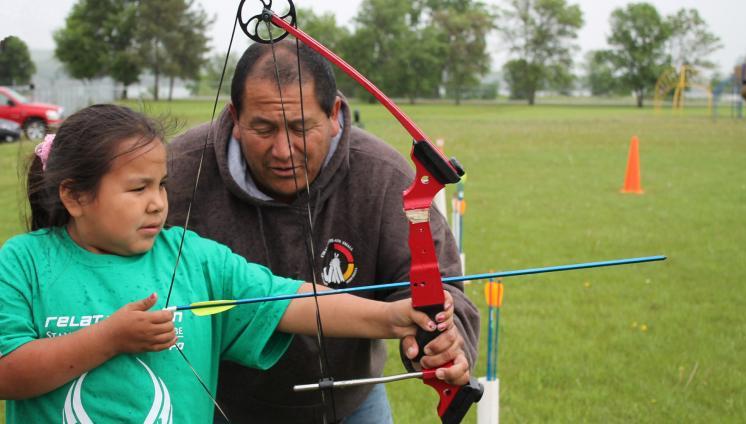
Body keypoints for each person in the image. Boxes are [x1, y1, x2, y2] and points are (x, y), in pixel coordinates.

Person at [0, 104, 459, 423]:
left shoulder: (191, 255)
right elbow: (8, 373)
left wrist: (393, 315)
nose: (158, 203)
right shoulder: (23, 262)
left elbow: (289, 301)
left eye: (161, 186)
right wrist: (110, 338)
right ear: (76, 196)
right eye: (138, 190)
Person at [166, 41, 480, 423]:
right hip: (215, 401)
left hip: (350, 401)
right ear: (234, 118)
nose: (283, 151)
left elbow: (438, 287)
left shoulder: (383, 176)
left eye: (301, 127)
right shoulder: (174, 175)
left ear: (334, 115)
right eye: (263, 128)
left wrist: (446, 342)